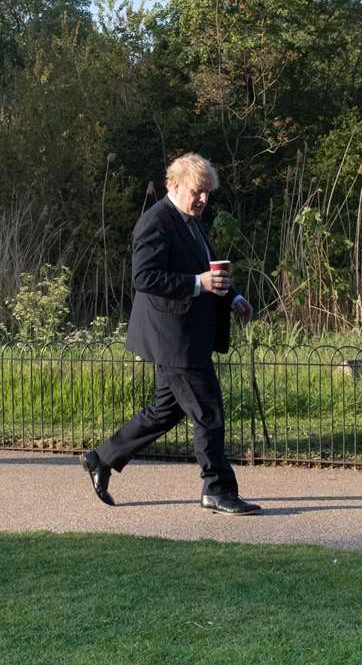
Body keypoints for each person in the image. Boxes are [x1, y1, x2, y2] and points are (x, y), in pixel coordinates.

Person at [81, 153, 261, 515]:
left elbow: (205, 271)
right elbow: (144, 278)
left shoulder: (191, 221)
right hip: (174, 338)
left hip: (188, 334)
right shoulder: (155, 222)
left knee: (165, 411)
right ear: (175, 186)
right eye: (198, 192)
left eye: (208, 193)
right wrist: (198, 283)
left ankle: (102, 458)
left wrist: (233, 296)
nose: (204, 200)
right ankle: (216, 488)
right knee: (209, 412)